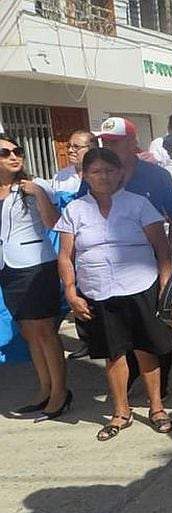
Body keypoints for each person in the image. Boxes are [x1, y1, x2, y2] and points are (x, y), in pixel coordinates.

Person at [55, 147, 172, 440]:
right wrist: (70, 292)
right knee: (113, 353)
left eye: (109, 170)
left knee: (146, 349)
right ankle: (121, 411)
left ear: (120, 173)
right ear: (85, 176)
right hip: (97, 291)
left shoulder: (139, 204)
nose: (104, 176)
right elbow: (66, 256)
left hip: (140, 285)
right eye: (96, 171)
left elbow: (162, 249)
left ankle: (157, 408)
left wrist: (165, 285)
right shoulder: (75, 210)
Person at [82, 117, 172, 398]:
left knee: (153, 329)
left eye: (115, 142)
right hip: (110, 266)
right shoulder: (97, 175)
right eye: (105, 142)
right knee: (119, 328)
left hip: (150, 261)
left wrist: (168, 250)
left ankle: (159, 385)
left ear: (133, 143)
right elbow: (84, 207)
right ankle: (127, 379)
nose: (109, 147)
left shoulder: (156, 175)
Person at [0, 134, 71, 421]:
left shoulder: (35, 185)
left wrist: (38, 194)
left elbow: (55, 223)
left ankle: (60, 392)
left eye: (17, 151)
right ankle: (44, 387)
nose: (13, 157)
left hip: (36, 265)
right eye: (5, 153)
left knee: (44, 330)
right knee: (28, 332)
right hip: (7, 267)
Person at [52, 130, 92, 207]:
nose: (70, 150)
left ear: (91, 148)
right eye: (68, 146)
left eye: (76, 147)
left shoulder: (104, 174)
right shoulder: (60, 176)